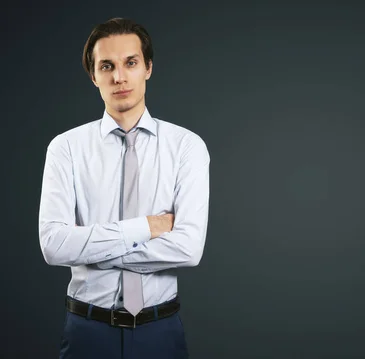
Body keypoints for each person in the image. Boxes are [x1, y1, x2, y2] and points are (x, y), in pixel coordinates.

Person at [38, 17, 210, 359]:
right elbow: (54, 246)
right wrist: (148, 227)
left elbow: (189, 249)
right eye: (107, 66)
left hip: (160, 332)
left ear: (147, 67)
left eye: (130, 63)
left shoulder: (186, 147)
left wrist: (89, 246)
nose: (119, 76)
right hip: (87, 331)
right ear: (94, 75)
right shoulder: (66, 148)